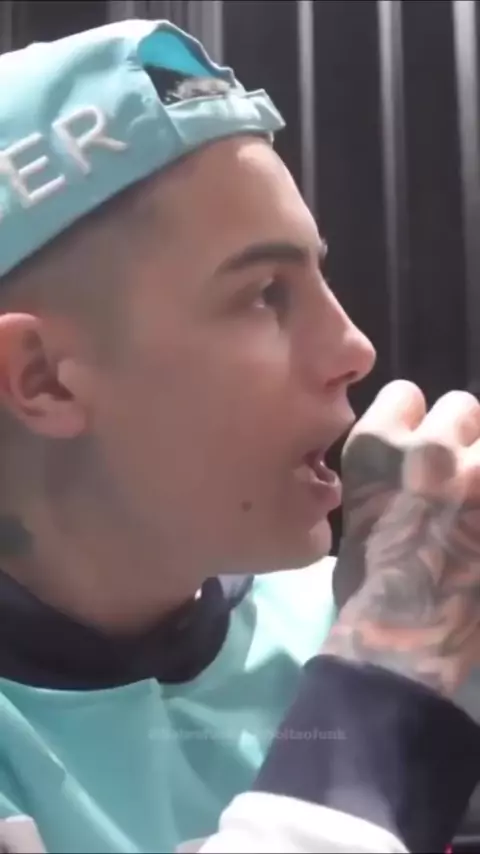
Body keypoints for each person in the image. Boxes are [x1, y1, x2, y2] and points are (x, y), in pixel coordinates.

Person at [0, 18, 479, 854]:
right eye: (264, 293)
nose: (354, 348)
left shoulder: (376, 609)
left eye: (319, 274)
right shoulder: (390, 639)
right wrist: (388, 684)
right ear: (41, 378)